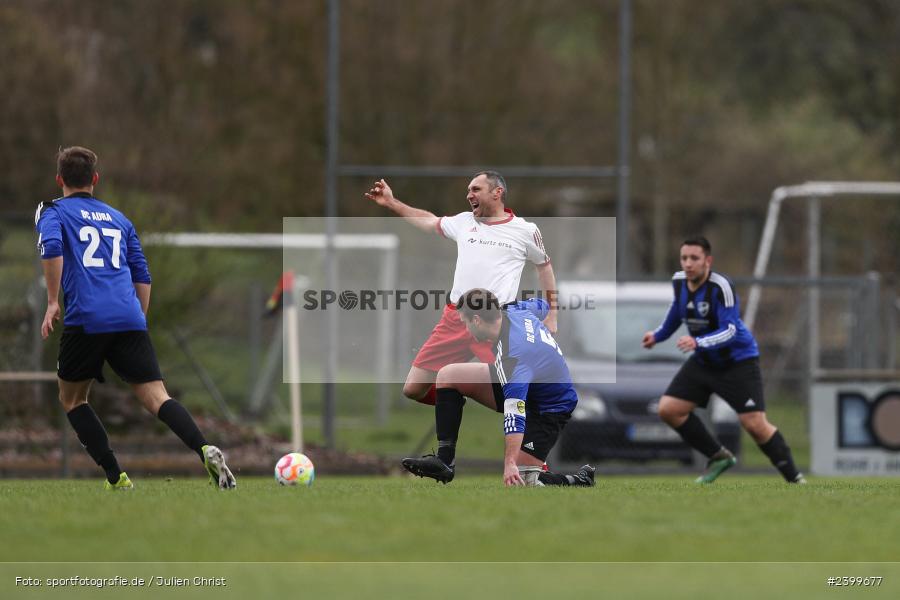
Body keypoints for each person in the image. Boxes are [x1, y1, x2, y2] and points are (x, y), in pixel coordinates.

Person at [35, 146, 236, 490]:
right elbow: (142, 274)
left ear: (59, 179)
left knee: (72, 399)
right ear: (95, 179)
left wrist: (53, 301)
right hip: (129, 316)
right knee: (158, 397)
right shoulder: (119, 218)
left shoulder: (52, 210)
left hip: (87, 317)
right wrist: (136, 321)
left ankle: (117, 477)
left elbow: (51, 248)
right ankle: (204, 448)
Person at [365, 172, 558, 406]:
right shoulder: (464, 221)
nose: (469, 195)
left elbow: (544, 268)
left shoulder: (525, 230)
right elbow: (429, 221)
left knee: (513, 392)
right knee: (413, 389)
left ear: (497, 192)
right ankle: (454, 394)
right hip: (455, 317)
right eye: (468, 190)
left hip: (494, 321)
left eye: (476, 189)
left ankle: (534, 423)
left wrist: (552, 314)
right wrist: (392, 203)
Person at [641, 236, 805, 484]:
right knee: (670, 410)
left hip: (737, 362)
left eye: (694, 258)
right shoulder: (679, 281)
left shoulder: (721, 287)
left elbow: (730, 330)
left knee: (754, 424)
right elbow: (678, 311)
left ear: (708, 261)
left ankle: (794, 478)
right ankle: (718, 457)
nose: (688, 264)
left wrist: (698, 342)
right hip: (705, 362)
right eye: (684, 258)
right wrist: (658, 335)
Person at [401, 288, 595, 487]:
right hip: (531, 385)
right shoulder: (514, 310)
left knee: (523, 481)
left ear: (476, 320)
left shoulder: (512, 360)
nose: (466, 330)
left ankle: (578, 481)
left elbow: (515, 413)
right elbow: (543, 305)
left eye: (465, 323)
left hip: (549, 408)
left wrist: (510, 463)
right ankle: (445, 460)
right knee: (448, 375)